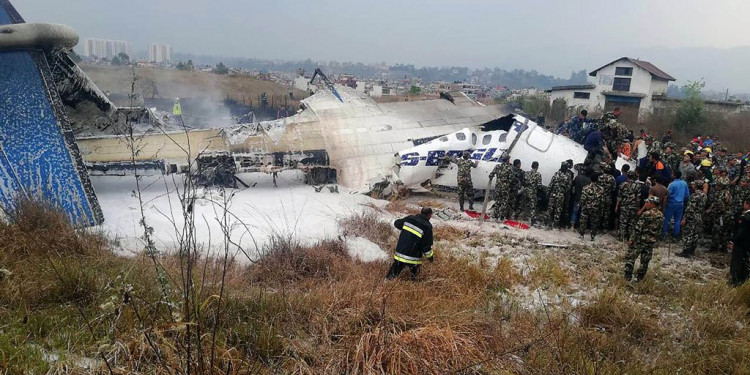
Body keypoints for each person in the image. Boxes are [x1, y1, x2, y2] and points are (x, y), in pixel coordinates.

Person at [386, 207, 434, 280]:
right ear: (429, 215)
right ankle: (413, 283)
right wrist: (430, 258)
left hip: (400, 253)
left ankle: (387, 282)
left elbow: (397, 224)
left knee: (393, 273)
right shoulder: (427, 226)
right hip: (414, 257)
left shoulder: (410, 218)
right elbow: (426, 246)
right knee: (414, 276)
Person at [625, 196, 664, 281]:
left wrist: (632, 239)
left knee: (630, 258)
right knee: (645, 261)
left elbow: (638, 228)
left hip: (640, 240)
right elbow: (659, 230)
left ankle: (627, 277)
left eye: (647, 202)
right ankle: (640, 278)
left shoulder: (646, 214)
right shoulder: (661, 215)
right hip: (650, 241)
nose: (645, 204)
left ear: (652, 204)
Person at [677, 180, 709, 258]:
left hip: (692, 217)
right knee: (695, 234)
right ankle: (692, 250)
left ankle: (686, 252)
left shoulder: (695, 195)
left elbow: (690, 209)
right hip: (699, 216)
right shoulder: (704, 195)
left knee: (688, 233)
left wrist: (684, 218)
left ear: (696, 186)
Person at [708, 177, 733, 253]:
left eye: (717, 186)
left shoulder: (721, 195)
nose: (715, 187)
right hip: (727, 215)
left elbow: (720, 207)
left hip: (721, 216)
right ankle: (723, 248)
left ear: (720, 187)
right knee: (724, 231)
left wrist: (712, 211)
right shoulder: (728, 193)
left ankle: (714, 248)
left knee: (716, 231)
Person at [663, 170, 690, 240]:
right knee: (677, 220)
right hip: (681, 204)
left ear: (674, 175)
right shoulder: (684, 183)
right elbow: (687, 195)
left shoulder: (672, 184)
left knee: (666, 219)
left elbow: (667, 195)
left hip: (671, 203)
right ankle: (676, 235)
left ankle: (663, 234)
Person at [729, 199, 750, 286]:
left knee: (737, 262)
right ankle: (744, 280)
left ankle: (735, 281)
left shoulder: (745, 216)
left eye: (744, 204)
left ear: (748, 205)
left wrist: (733, 241)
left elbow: (740, 231)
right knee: (746, 262)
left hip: (741, 243)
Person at [579, 173, 605, 241]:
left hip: (586, 207)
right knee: (594, 222)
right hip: (596, 208)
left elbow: (583, 198)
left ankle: (582, 235)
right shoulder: (601, 189)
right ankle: (592, 236)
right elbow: (602, 200)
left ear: (590, 179)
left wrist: (580, 205)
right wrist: (601, 209)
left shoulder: (586, 188)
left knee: (583, 221)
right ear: (598, 179)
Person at [617, 170, 642, 241]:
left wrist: (617, 206)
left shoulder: (623, 185)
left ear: (627, 176)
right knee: (631, 223)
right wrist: (638, 207)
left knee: (623, 222)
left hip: (624, 206)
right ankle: (630, 238)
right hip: (633, 207)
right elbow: (638, 198)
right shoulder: (638, 186)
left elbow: (619, 197)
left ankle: (622, 238)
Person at [488, 153, 513, 221]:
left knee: (498, 202)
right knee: (504, 202)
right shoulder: (509, 168)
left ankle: (495, 216)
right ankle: (501, 217)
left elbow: (491, 174)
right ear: (507, 160)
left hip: (498, 187)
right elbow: (511, 179)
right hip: (505, 188)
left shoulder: (497, 166)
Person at [547, 162, 573, 228]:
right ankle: (551, 224)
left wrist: (548, 192)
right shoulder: (565, 175)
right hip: (558, 194)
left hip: (557, 194)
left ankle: (552, 224)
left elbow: (551, 184)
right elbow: (568, 187)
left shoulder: (558, 174)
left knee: (555, 210)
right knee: (554, 210)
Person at [598, 163, 616, 230]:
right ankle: (604, 228)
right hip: (608, 197)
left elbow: (597, 187)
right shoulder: (612, 178)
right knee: (606, 213)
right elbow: (614, 188)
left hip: (600, 197)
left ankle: (597, 226)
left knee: (599, 211)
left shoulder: (600, 177)